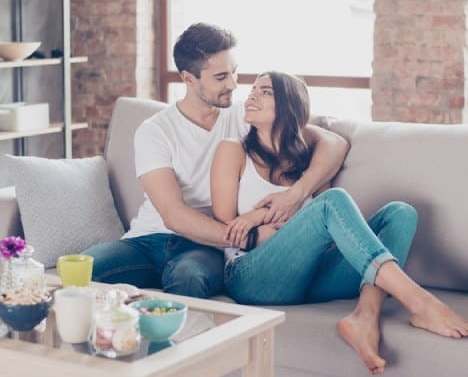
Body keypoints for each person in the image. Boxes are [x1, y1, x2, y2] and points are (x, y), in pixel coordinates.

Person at [210, 71, 468, 375]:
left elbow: (323, 231)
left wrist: (279, 215)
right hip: (252, 276)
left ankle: (365, 316)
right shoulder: (232, 150)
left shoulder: (310, 161)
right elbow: (226, 226)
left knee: (401, 213)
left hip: (311, 277)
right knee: (334, 201)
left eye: (265, 92)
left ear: (291, 106)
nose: (251, 96)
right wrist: (262, 220)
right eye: (252, 90)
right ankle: (420, 303)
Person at [83, 23, 349, 298]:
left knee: (189, 278)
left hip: (204, 246)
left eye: (234, 72)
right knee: (81, 269)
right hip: (147, 239)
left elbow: (334, 143)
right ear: (188, 78)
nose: (233, 84)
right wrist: (251, 237)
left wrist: (297, 193)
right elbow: (174, 216)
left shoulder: (247, 118)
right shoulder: (155, 130)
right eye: (221, 77)